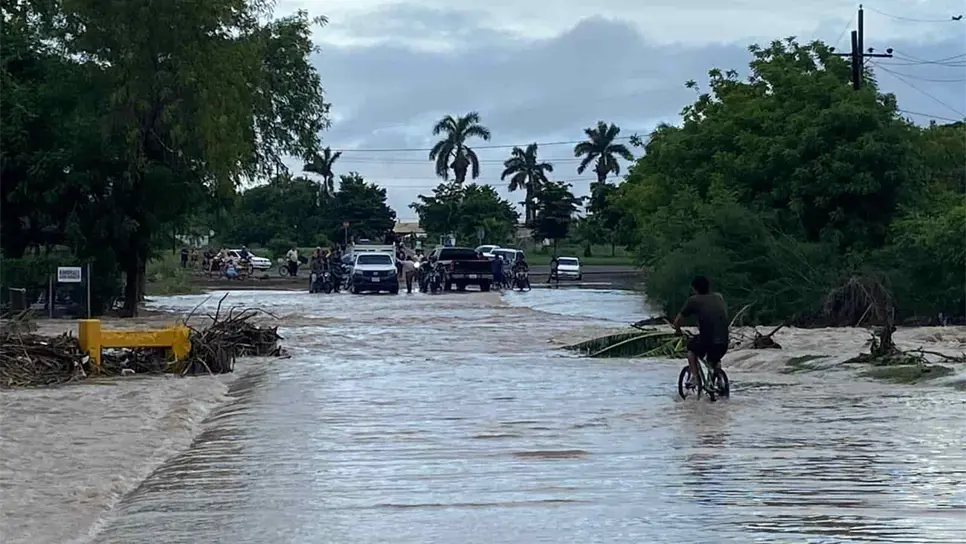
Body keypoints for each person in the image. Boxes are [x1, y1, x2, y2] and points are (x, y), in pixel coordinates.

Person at [672, 275, 729, 390]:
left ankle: (694, 377)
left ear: (694, 289)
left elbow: (677, 321)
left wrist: (678, 331)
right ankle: (718, 378)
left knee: (691, 351)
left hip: (707, 339)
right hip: (724, 339)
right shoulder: (719, 297)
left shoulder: (694, 300)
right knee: (714, 358)